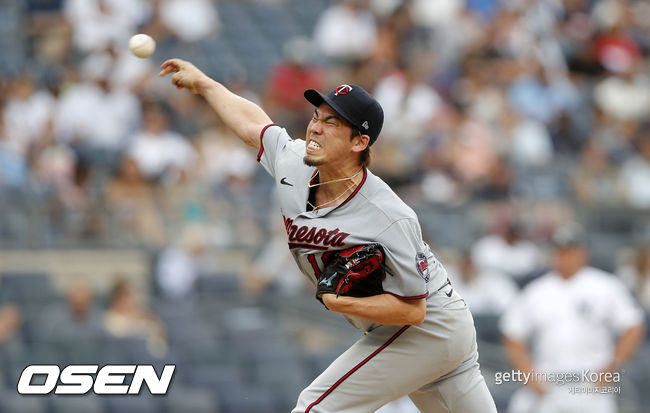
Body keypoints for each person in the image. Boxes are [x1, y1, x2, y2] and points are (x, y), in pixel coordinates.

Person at [160, 58, 497, 412]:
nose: (315, 129)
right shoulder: (294, 163)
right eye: (316, 117)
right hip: (437, 333)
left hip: (428, 328)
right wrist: (205, 84)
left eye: (331, 123)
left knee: (314, 408)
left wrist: (341, 302)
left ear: (359, 142)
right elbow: (254, 124)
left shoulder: (388, 216)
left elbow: (413, 310)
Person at [500, 223, 646, 413]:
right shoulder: (536, 291)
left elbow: (633, 326)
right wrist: (528, 375)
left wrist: (613, 366)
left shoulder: (605, 286)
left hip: (591, 383)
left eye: (570, 250)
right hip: (548, 382)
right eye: (560, 250)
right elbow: (512, 334)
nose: (564, 256)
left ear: (583, 252)